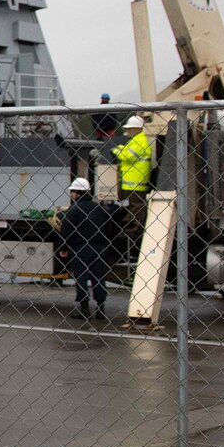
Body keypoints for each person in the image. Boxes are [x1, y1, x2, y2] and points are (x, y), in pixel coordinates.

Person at [59, 177, 113, 320]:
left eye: (72, 192)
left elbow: (67, 230)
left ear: (77, 193)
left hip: (80, 247)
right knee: (99, 277)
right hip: (98, 247)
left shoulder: (74, 210)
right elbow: (109, 228)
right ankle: (101, 310)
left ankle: (84, 309)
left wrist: (63, 247)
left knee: (81, 276)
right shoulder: (100, 208)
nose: (71, 195)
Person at [112, 115, 154, 245]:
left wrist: (116, 150)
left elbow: (127, 156)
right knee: (130, 205)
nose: (128, 131)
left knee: (136, 206)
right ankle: (131, 226)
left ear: (137, 128)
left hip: (135, 182)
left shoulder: (139, 141)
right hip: (131, 182)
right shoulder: (135, 140)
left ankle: (136, 229)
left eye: (130, 128)